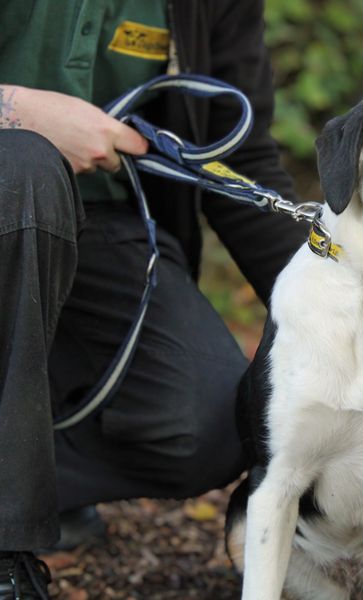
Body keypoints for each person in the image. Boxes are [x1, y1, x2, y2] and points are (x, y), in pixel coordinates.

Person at [0, 2, 308, 597]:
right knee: (25, 168)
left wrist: (349, 303)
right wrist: (22, 110)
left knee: (211, 423)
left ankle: (34, 478)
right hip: (13, 184)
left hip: (105, 219)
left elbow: (236, 155)